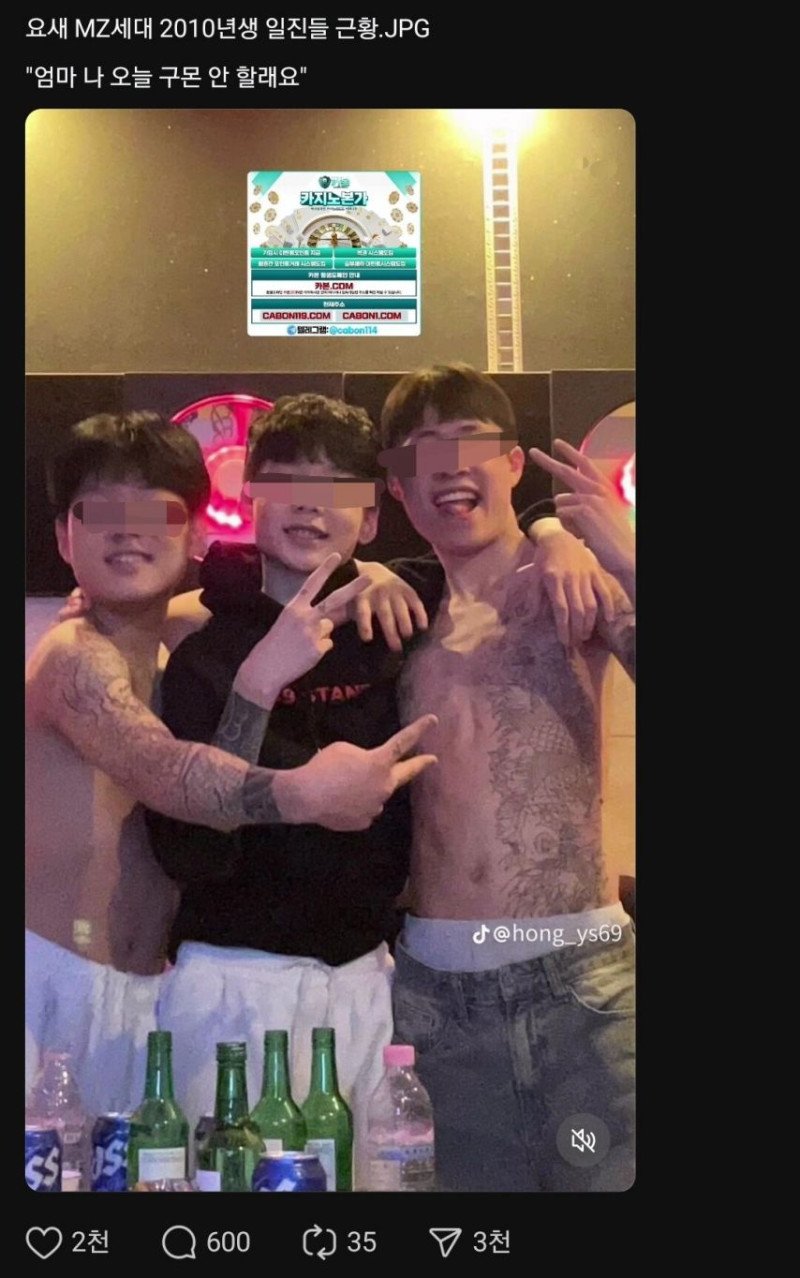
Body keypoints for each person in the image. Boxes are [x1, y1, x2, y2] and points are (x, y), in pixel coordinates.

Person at [143, 392, 608, 1184]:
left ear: (369, 518)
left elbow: (488, 537)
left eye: (336, 489)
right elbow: (185, 846)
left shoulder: (400, 618)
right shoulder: (201, 643)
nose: (309, 505)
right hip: (228, 982)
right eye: (287, 482)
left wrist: (555, 531)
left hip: (371, 986)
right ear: (250, 499)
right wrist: (260, 682)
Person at [25, 411, 434, 1116]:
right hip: (56, 988)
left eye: (155, 514)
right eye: (102, 515)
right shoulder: (75, 655)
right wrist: (305, 792)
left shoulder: (171, 648)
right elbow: (168, 774)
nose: (128, 532)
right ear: (64, 537)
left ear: (196, 535)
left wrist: (377, 572)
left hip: (149, 995)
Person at [378, 363, 636, 1192]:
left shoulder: (577, 584)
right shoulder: (394, 612)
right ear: (397, 486)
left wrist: (621, 555)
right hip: (435, 998)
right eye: (425, 452)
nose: (450, 468)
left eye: (470, 444)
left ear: (514, 463)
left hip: (583, 983)